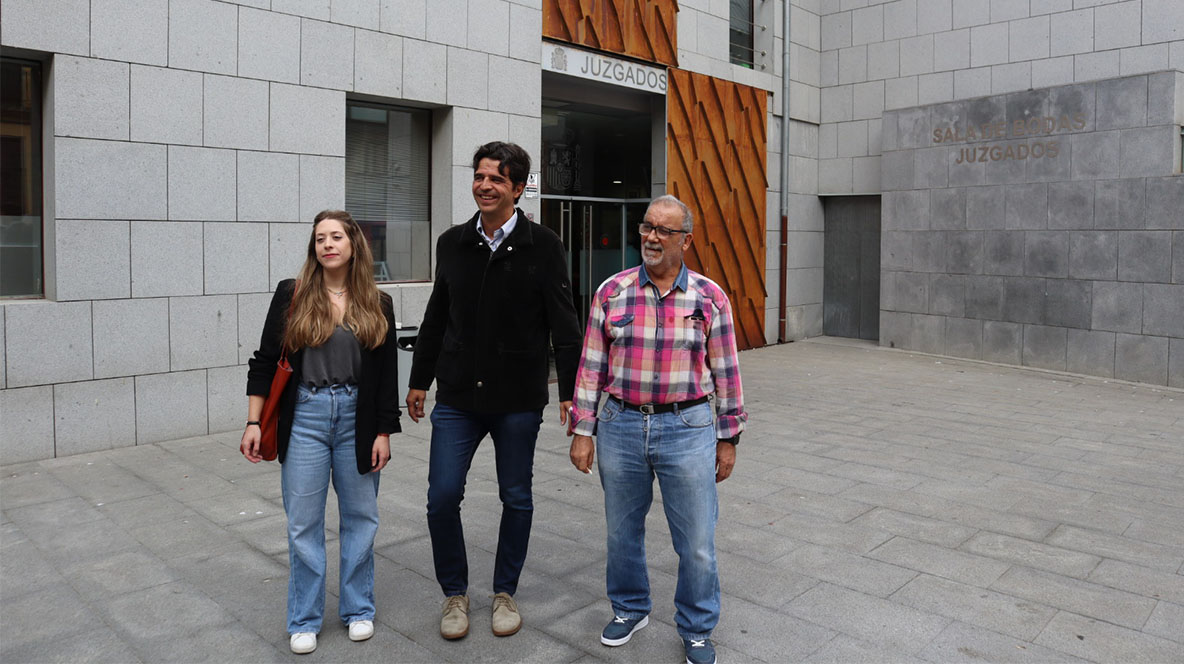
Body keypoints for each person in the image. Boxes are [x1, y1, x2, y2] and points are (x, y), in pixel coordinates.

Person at [405, 141, 582, 640]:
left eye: (497, 179)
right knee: (442, 497)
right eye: (480, 176)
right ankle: (454, 594)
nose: (485, 186)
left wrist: (571, 393)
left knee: (516, 496)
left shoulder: (544, 244)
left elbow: (564, 325)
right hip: (458, 396)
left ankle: (505, 592)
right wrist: (419, 380)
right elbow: (436, 316)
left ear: (519, 188)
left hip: (517, 398)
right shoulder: (452, 242)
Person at [568, 194, 747, 664]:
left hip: (688, 426)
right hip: (620, 424)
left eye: (664, 230)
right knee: (621, 532)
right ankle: (630, 608)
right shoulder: (613, 291)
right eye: (647, 226)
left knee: (697, 541)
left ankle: (697, 627)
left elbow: (726, 372)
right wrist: (583, 429)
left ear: (685, 241)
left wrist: (728, 438)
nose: (651, 237)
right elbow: (591, 365)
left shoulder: (709, 297)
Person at [241, 210, 400, 655]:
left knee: (361, 519)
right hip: (306, 417)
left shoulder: (378, 302)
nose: (327, 244)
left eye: (335, 237)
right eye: (319, 239)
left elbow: (387, 376)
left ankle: (358, 608)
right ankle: (304, 618)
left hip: (357, 418)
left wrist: (384, 431)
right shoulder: (292, 295)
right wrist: (253, 422)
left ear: (353, 244)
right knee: (303, 524)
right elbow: (264, 361)